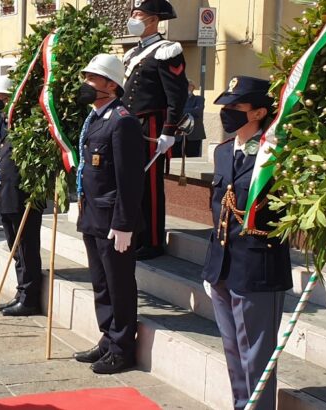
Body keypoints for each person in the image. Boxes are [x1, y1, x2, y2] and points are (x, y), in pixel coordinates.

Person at [202, 76, 292, 410]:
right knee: (233, 352)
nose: (227, 113)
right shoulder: (225, 151)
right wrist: (211, 266)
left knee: (257, 357)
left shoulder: (277, 152)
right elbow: (218, 211)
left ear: (258, 113)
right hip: (223, 267)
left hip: (258, 269)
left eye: (235, 107)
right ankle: (242, 405)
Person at [73, 54, 145, 374]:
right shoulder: (96, 119)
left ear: (111, 85)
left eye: (93, 78)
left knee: (119, 285)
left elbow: (129, 179)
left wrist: (124, 224)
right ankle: (108, 337)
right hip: (93, 216)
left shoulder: (122, 120)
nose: (86, 84)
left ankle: (122, 347)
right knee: (101, 284)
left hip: (113, 221)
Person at [122, 0, 189, 260]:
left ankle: (152, 241)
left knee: (149, 186)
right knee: (132, 183)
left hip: (150, 126)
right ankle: (138, 235)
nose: (134, 19)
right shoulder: (133, 52)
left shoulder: (168, 51)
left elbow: (176, 96)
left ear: (153, 19)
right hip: (131, 125)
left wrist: (168, 131)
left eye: (139, 14)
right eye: (133, 14)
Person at [0, 76, 43, 317]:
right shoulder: (1, 122)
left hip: (23, 194)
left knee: (26, 247)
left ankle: (30, 298)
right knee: (14, 246)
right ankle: (21, 292)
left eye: (1, 98)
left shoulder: (25, 124)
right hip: (6, 192)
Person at [171, 80, 206, 159]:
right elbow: (173, 111)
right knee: (175, 159)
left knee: (193, 158)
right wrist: (189, 110)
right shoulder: (176, 99)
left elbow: (198, 112)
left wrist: (181, 110)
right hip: (177, 134)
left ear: (193, 87)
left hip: (194, 135)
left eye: (188, 85)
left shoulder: (199, 99)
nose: (186, 87)